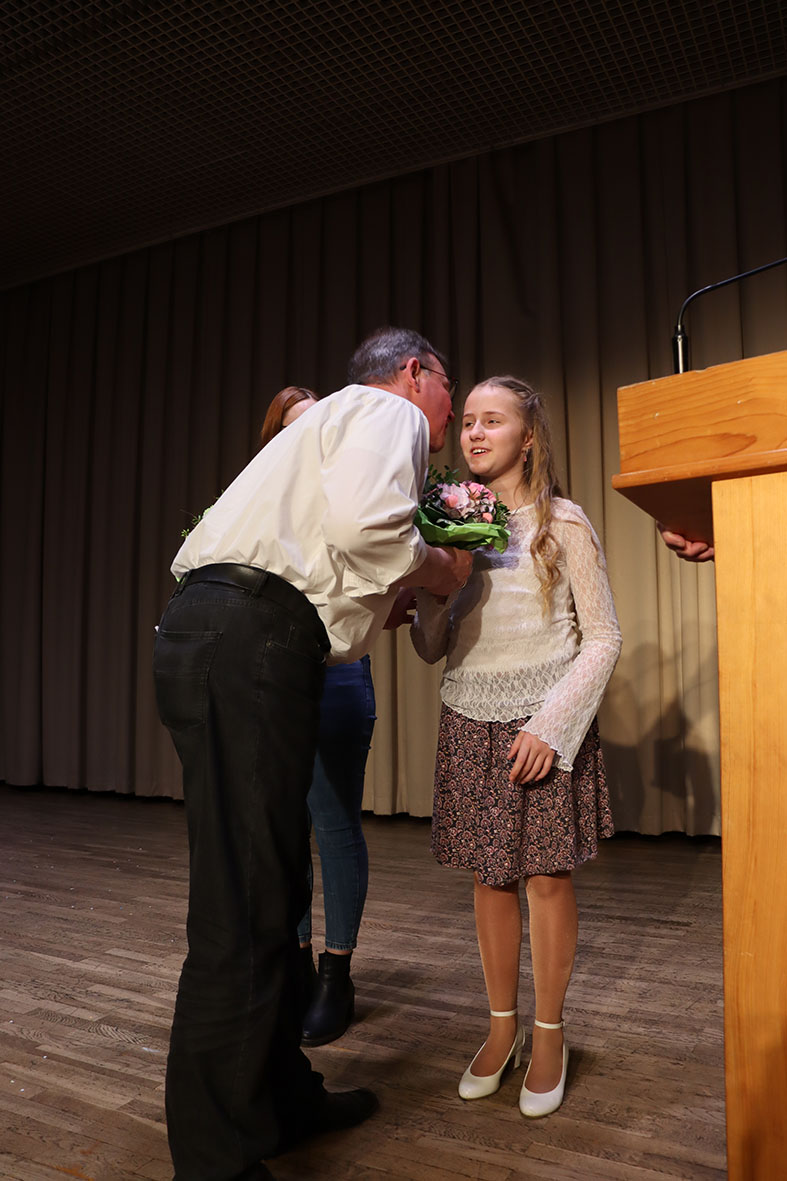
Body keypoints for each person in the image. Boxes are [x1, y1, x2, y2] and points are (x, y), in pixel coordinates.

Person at [153, 327, 473, 1181]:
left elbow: (327, 553)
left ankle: (279, 1097)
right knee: (242, 904)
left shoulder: (328, 423)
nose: (449, 412)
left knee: (275, 885)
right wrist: (438, 570)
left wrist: (377, 600)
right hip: (248, 640)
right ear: (416, 373)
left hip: (229, 634)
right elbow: (370, 529)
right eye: (449, 388)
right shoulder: (384, 409)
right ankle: (215, 1162)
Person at [411, 375, 621, 1118]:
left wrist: (550, 727)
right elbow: (431, 647)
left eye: (491, 420)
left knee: (545, 880)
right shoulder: (448, 530)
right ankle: (501, 1027)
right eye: (467, 420)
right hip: (469, 714)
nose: (473, 432)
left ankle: (549, 1033)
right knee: (490, 878)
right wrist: (435, 588)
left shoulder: (563, 521)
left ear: (527, 437)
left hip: (543, 719)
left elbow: (602, 638)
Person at [259, 385, 376, 1046]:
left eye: (316, 423)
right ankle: (298, 964)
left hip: (336, 673)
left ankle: (337, 974)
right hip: (276, 673)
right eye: (293, 427)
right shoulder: (257, 502)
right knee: (285, 827)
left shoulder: (351, 497)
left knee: (333, 824)